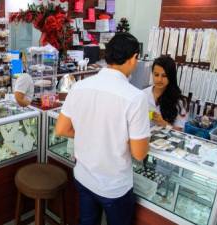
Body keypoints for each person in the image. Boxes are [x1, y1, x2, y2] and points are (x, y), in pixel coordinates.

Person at [55, 33, 150, 225]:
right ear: (133, 58)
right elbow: (139, 153)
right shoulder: (135, 97)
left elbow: (62, 129)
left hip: (83, 177)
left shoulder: (80, 86)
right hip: (114, 186)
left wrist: (88, 133)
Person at [143, 56, 187, 131]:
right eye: (156, 75)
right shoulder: (142, 95)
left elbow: (179, 131)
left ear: (171, 77)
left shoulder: (179, 101)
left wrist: (164, 123)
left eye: (164, 76)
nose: (159, 79)